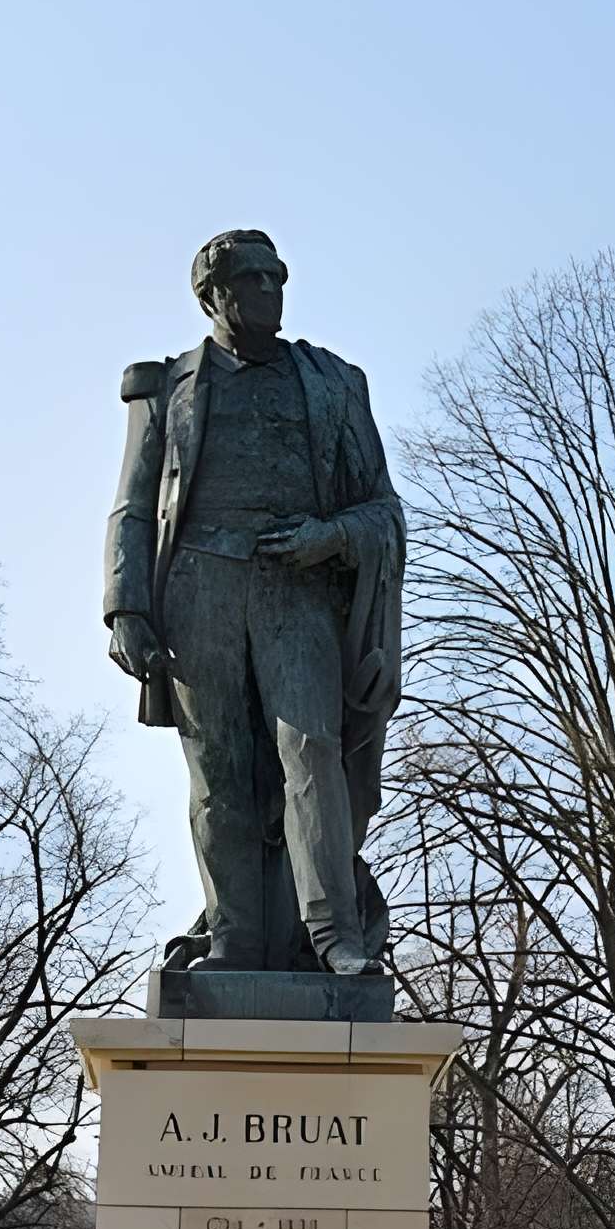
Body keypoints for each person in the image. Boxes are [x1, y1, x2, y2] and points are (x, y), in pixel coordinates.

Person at [105, 230, 404, 974]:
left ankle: (330, 934)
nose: (270, 292)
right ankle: (235, 937)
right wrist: (127, 609)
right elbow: (134, 508)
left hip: (296, 587)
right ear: (212, 296)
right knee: (220, 774)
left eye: (276, 278)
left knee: (313, 752)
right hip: (197, 592)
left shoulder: (334, 383)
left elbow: (384, 510)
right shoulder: (166, 387)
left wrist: (329, 536)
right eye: (251, 280)